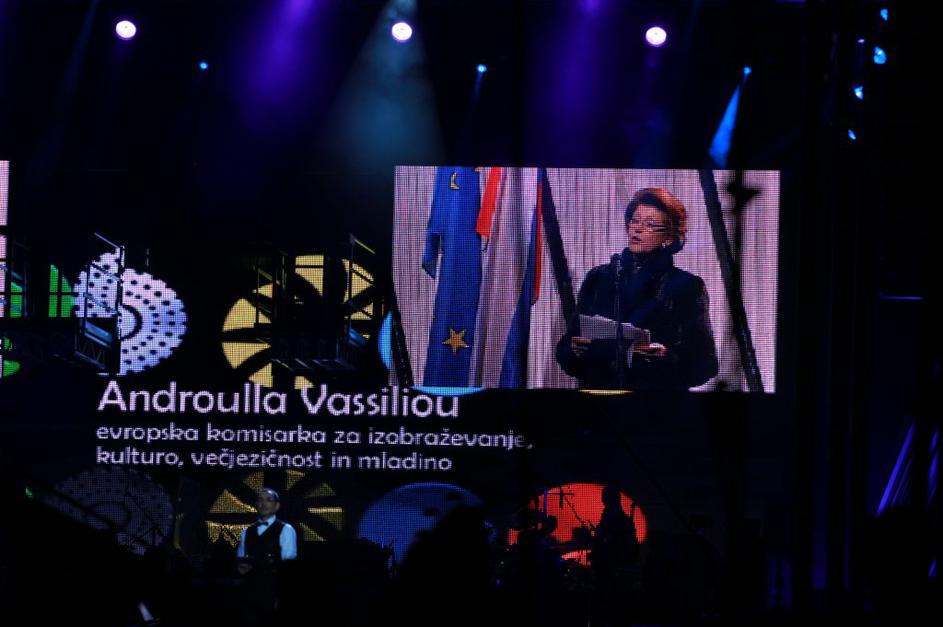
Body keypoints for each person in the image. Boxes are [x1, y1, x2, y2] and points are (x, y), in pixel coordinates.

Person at [556, 187, 718, 390]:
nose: (637, 229)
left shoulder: (686, 285)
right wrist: (574, 351)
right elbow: (565, 348)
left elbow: (706, 364)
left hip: (654, 402)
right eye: (634, 221)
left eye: (650, 224)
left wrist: (664, 357)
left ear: (669, 238)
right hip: (600, 399)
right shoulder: (599, 277)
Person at [236, 488, 297, 625]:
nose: (263, 504)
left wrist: (280, 595)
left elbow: (288, 567)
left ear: (277, 506)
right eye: (260, 500)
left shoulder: (286, 529)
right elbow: (241, 559)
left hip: (273, 590)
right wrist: (240, 568)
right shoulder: (247, 531)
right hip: (249, 592)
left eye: (268, 500)